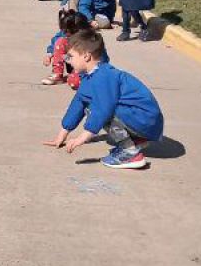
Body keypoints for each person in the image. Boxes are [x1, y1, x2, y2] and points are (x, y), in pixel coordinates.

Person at [43, 30, 164, 169]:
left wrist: (82, 137)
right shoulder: (90, 74)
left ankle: (130, 153)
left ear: (86, 56)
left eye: (70, 56)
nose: (67, 61)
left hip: (146, 120)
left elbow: (102, 110)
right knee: (92, 104)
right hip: (140, 118)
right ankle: (135, 141)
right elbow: (79, 102)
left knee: (98, 109)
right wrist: (62, 134)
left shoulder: (104, 76)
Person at [42, 10, 91, 87]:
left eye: (68, 32)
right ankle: (57, 74)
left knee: (74, 82)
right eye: (64, 31)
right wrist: (49, 54)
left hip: (85, 66)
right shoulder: (65, 32)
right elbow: (56, 40)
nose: (66, 33)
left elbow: (101, 58)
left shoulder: (91, 40)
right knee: (60, 41)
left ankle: (76, 76)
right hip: (71, 59)